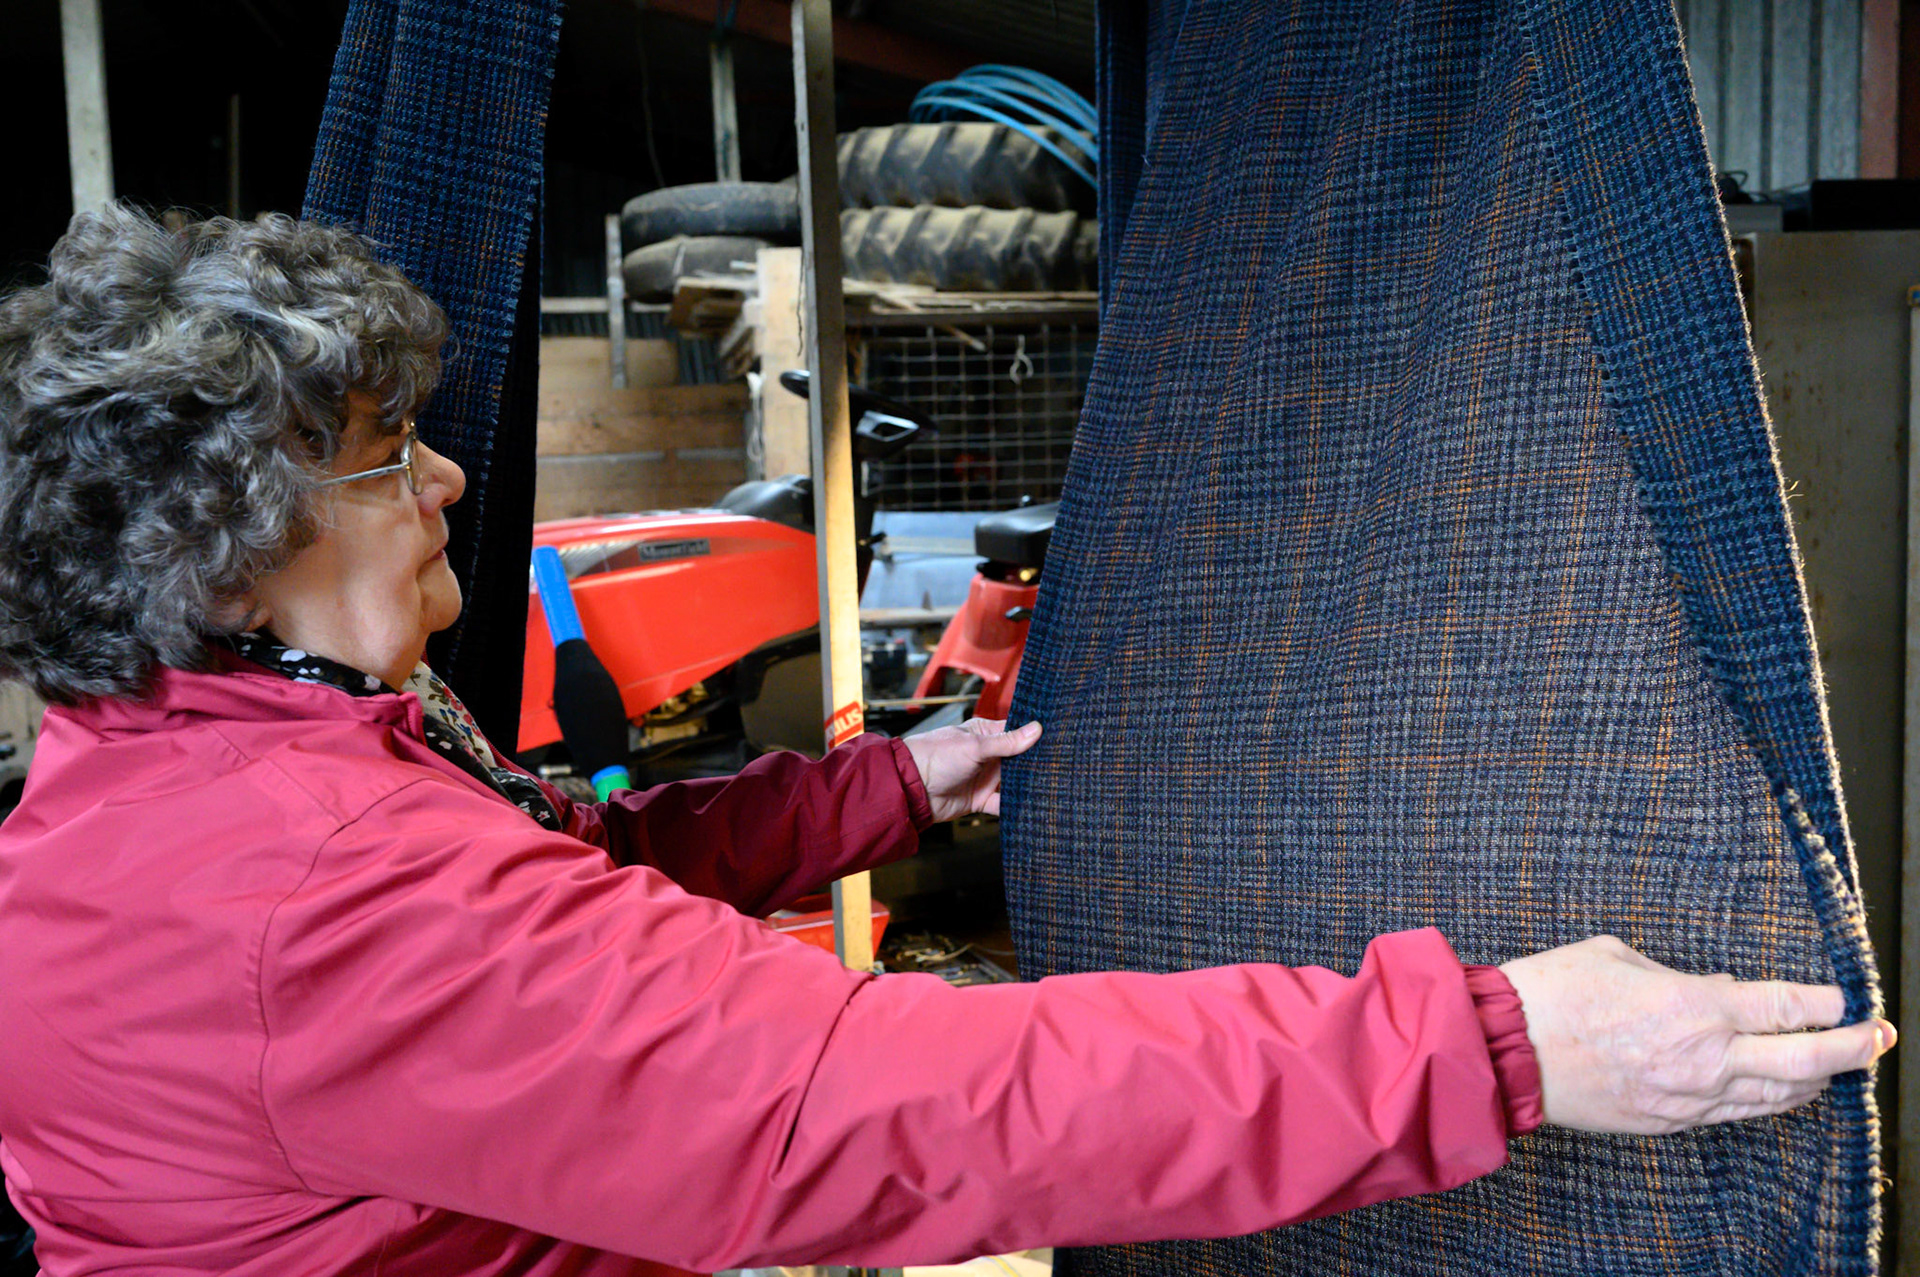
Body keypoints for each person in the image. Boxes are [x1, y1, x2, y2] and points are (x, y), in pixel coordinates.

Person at [0, 205, 1889, 1277]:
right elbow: (881, 1105)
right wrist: (1494, 1044)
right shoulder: (302, 884)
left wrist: (886, 785)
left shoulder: (211, 749)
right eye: (382, 456)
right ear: (225, 539)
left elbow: (557, 878)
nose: (443, 480)